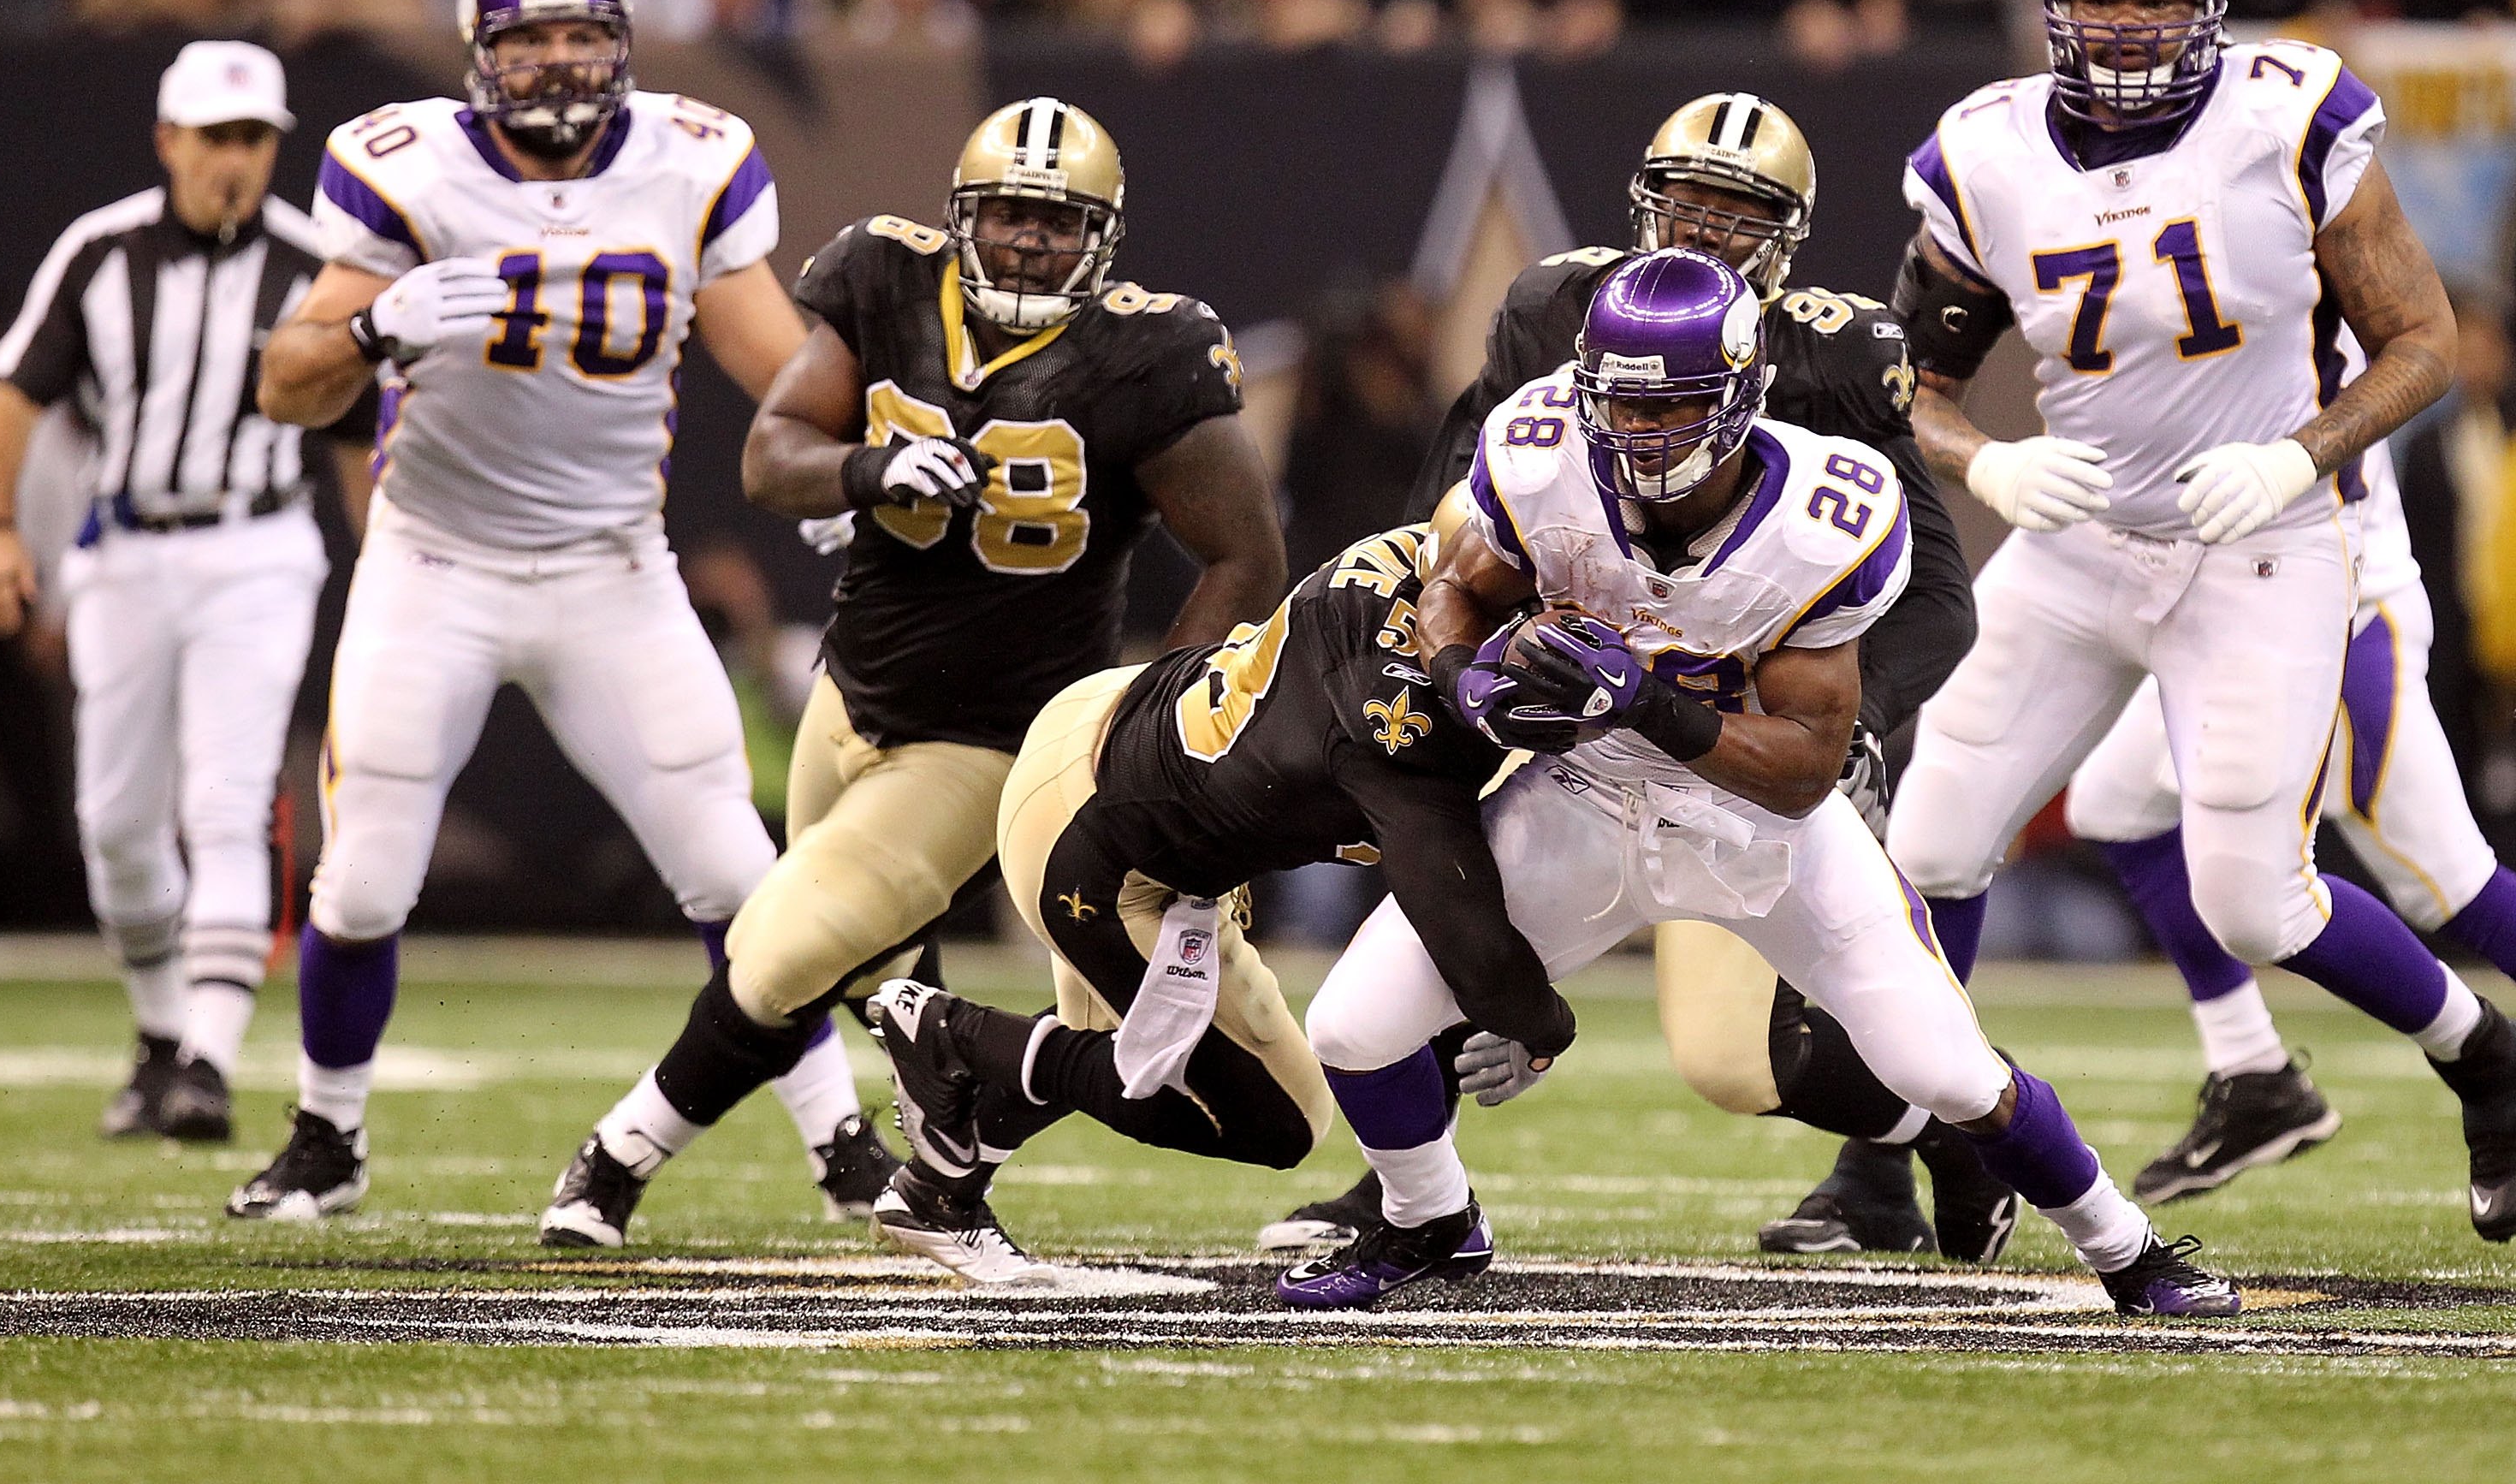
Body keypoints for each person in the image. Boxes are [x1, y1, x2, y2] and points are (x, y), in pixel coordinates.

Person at [1276, 249, 2235, 1315]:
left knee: (1950, 1070)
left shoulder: (1825, 514)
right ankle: (1433, 1226)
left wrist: (1648, 699)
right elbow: (1459, 586)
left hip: (1760, 832)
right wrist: (1466, 677)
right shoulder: (1540, 447)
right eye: (1619, 407)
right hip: (1584, 799)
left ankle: (2131, 1250)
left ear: (1738, 396)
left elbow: (1803, 768)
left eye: (1672, 409)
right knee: (1352, 1026)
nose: (1639, 436)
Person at [534, 98, 1288, 1251]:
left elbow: (1249, 555)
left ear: (1103, 236)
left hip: (989, 738)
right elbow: (771, 455)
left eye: (1056, 220)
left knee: (782, 944)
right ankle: (902, 1161)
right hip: (853, 690)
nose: (1029, 239)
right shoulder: (883, 277)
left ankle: (614, 1158)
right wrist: (869, 468)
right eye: (1008, 215)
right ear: (960, 217)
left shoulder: (1150, 353)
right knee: (866, 963)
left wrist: (1152, 713)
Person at [1885, 0, 2516, 1244]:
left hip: (2268, 535)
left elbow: (2424, 344)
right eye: (2095, 1)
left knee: (2259, 897)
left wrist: (2298, 453)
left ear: (2208, 12)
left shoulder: (2291, 117)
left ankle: (2483, 1056)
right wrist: (1983, 459)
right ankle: (1963, 1135)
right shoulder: (1985, 150)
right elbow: (1911, 378)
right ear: (2052, 9)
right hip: (2087, 539)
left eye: (2152, 3)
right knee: (1927, 838)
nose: (2120, 32)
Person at [1265, 90, 1995, 1261]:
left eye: (1737, 212)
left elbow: (1939, 601)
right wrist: (1464, 677)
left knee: (1742, 1060)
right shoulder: (1557, 309)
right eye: (1686, 203)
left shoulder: (1836, 352)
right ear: (1642, 208)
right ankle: (1413, 1195)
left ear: (1788, 236)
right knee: (1441, 921)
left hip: (1730, 746)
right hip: (1571, 713)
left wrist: (1852, 734)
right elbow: (1454, 524)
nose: (1704, 231)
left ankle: (1952, 1135)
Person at [223, 0, 847, 1220]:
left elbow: (774, 358)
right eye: (529, 40)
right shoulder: (403, 166)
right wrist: (374, 321)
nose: (558, 65)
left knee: (741, 872)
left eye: (580, 36)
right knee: (365, 876)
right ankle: (327, 1139)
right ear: (480, 55)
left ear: (618, 44)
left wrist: (853, 464)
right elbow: (286, 381)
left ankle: (844, 1143)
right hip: (434, 559)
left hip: (611, 565)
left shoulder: (693, 156)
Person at [866, 513, 1560, 1283]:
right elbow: (1465, 934)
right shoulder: (1395, 721)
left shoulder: (1424, 553)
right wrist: (1538, 1024)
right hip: (1100, 843)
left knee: (1118, 1036)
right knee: (1269, 1117)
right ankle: (949, 1032)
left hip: (1133, 737)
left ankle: (938, 1185)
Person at [0, 41, 351, 1144]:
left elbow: (363, 434)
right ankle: (162, 1036)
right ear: (167, 140)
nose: (236, 160)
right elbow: (12, 401)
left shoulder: (315, 261)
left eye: (254, 139)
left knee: (225, 802)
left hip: (260, 547)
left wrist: (389, 565)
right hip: (124, 550)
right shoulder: (100, 251)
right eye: (216, 137)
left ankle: (209, 1064)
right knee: (118, 823)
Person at [2066, 435, 2516, 1202]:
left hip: (2331, 606)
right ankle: (2254, 1074)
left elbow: (2397, 364)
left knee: (2447, 884)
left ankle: (2486, 1062)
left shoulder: (2314, 328)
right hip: (2236, 608)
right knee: (2116, 803)